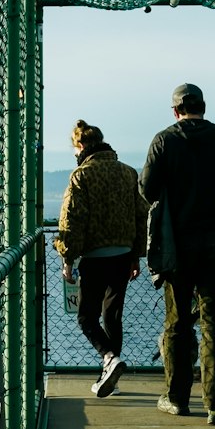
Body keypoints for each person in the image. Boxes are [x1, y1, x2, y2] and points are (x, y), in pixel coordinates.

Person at [140, 84, 215, 425]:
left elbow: (146, 188)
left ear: (175, 111)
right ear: (203, 107)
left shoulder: (165, 140)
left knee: (177, 323)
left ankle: (177, 398)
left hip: (177, 246)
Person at [54, 121, 148, 398]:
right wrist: (136, 256)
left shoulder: (81, 176)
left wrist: (67, 258)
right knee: (112, 316)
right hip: (122, 256)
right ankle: (112, 378)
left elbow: (71, 220)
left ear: (81, 146)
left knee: (86, 317)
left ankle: (108, 358)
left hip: (94, 258)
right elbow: (140, 215)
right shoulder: (128, 173)